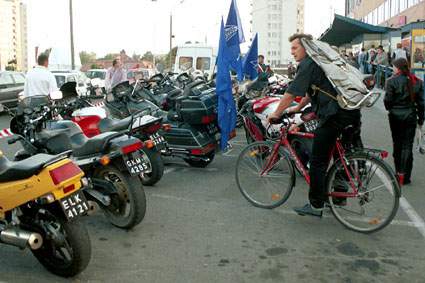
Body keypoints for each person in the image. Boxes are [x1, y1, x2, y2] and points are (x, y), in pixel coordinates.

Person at [268, 33, 361, 217]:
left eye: (295, 48)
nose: (292, 52)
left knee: (318, 161)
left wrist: (276, 113)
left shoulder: (308, 64)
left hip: (334, 115)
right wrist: (298, 108)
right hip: (350, 112)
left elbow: (290, 92)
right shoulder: (320, 62)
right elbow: (312, 91)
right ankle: (339, 195)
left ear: (306, 48)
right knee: (339, 154)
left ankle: (316, 205)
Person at [384, 58, 424, 185]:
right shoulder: (417, 81)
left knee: (397, 144)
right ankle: (405, 176)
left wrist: (391, 109)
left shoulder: (391, 81)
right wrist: (421, 119)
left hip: (395, 116)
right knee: (408, 146)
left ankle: (398, 173)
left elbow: (387, 101)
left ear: (398, 68)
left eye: (394, 66)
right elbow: (422, 103)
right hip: (410, 116)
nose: (393, 68)